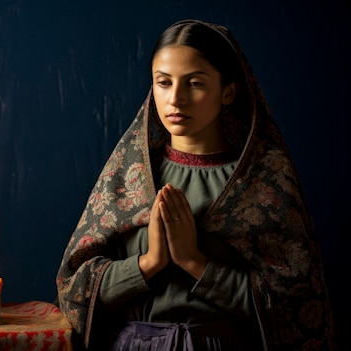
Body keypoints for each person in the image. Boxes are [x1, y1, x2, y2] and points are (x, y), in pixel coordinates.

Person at [56, 19, 335, 350]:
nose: (176, 99)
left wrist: (195, 262)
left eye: (195, 83)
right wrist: (149, 263)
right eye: (163, 82)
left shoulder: (261, 184)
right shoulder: (129, 178)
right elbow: (74, 288)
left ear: (227, 92)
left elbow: (295, 307)